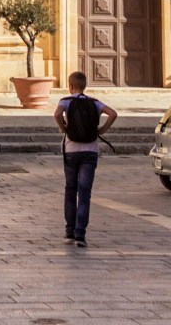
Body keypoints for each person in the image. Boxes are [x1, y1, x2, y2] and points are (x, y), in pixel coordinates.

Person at [52, 70, 117, 247]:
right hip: (90, 151)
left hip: (71, 150)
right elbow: (113, 114)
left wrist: (64, 128)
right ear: (85, 86)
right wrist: (102, 130)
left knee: (70, 190)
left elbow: (57, 114)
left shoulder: (66, 101)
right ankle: (81, 234)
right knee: (85, 192)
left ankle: (69, 232)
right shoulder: (95, 103)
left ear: (70, 86)